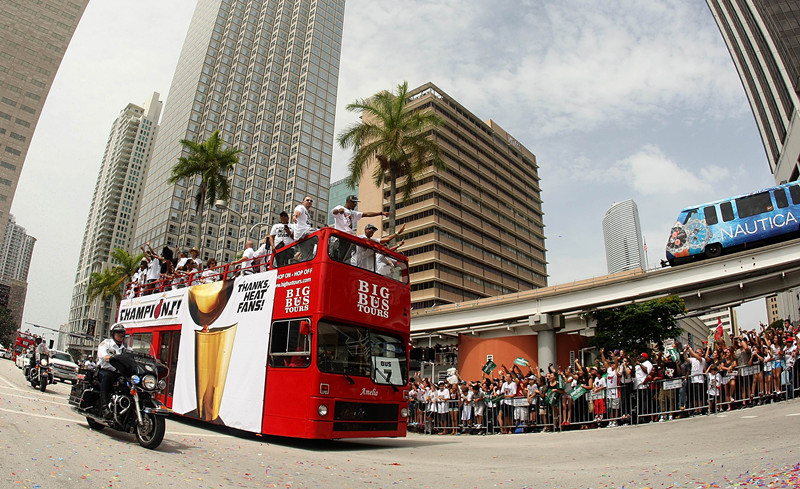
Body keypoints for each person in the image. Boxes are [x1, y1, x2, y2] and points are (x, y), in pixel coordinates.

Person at [96, 323, 132, 418]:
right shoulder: (106, 343)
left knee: (131, 382)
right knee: (107, 377)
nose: (121, 335)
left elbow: (133, 357)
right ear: (113, 333)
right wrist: (106, 356)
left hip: (119, 373)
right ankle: (104, 407)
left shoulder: (127, 348)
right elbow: (101, 352)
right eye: (118, 332)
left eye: (122, 333)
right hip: (105, 371)